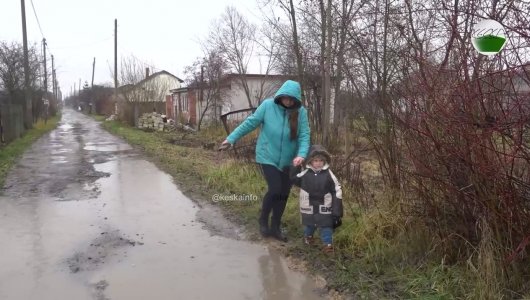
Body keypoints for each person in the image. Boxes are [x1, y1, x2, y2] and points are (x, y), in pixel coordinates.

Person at [221, 80, 310, 242]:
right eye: (285, 98)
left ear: (296, 99)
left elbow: (304, 136)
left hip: (290, 160)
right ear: (280, 96)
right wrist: (231, 138)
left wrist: (301, 155)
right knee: (275, 189)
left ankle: (275, 226)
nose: (288, 102)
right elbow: (250, 123)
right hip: (267, 155)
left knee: (284, 193)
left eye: (291, 99)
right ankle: (263, 219)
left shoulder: (300, 112)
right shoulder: (268, 106)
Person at [289, 145, 343, 253]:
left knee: (326, 225)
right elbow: (294, 179)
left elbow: (337, 190)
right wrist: (296, 166)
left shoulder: (329, 174)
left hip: (325, 206)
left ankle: (328, 245)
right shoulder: (305, 174)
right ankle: (308, 237)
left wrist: (337, 211)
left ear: (325, 161)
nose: (318, 163)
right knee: (310, 224)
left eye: (321, 160)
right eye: (315, 160)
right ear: (310, 161)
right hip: (308, 206)